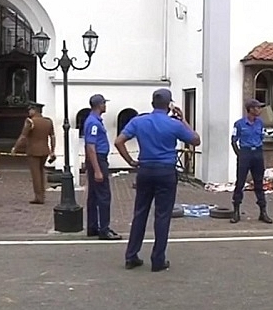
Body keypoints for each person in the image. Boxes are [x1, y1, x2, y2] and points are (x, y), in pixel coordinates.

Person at [115, 89, 200, 272]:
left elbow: (118, 141)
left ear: (152, 103)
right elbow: (195, 140)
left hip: (145, 170)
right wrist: (182, 119)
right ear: (169, 105)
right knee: (162, 215)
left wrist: (130, 161)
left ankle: (131, 256)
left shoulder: (139, 121)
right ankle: (158, 259)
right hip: (166, 172)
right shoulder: (173, 124)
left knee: (140, 213)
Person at [84, 94, 121, 240]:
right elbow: (91, 146)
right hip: (98, 159)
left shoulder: (93, 120)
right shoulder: (94, 123)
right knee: (104, 195)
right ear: (100, 105)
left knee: (93, 195)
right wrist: (98, 170)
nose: (105, 105)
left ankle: (93, 226)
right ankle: (104, 229)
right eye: (104, 103)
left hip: (95, 159)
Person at [230, 98, 273, 224]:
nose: (259, 110)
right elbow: (233, 140)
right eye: (257, 108)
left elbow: (262, 137)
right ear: (250, 109)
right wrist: (240, 154)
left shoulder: (260, 123)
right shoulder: (239, 124)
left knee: (259, 183)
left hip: (257, 153)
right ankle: (236, 211)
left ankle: (263, 211)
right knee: (240, 182)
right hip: (245, 152)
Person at [11, 103, 56, 204]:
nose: (29, 112)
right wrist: (52, 150)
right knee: (41, 172)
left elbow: (23, 136)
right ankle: (42, 194)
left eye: (30, 110)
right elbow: (52, 136)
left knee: (35, 174)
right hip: (45, 150)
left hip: (33, 150)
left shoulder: (30, 121)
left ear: (34, 110)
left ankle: (38, 197)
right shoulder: (48, 121)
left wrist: (15, 148)